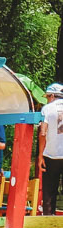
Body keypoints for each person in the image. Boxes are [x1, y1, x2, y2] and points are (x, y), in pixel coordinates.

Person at [39, 83, 63, 215]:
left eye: (47, 97)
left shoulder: (47, 109)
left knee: (49, 192)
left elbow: (43, 133)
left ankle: (48, 222)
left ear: (52, 95)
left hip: (51, 155)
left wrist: (40, 155)